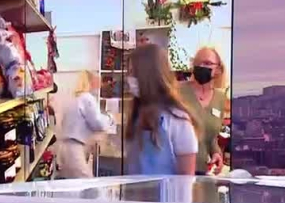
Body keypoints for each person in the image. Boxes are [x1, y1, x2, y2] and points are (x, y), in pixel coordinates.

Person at [125, 44, 199, 175]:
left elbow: (186, 176)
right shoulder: (137, 116)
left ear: (148, 75)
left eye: (133, 72)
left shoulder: (178, 120)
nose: (128, 79)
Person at [179, 47, 227, 175]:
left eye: (207, 63)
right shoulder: (178, 91)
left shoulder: (220, 98)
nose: (201, 67)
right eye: (197, 63)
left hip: (202, 173)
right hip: (177, 172)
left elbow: (211, 137)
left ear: (218, 69)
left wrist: (216, 153)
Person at [58, 70, 115, 178]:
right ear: (90, 82)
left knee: (74, 184)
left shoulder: (74, 99)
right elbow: (98, 123)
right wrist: (110, 118)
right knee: (88, 183)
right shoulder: (86, 98)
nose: (99, 85)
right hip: (74, 148)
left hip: (65, 148)